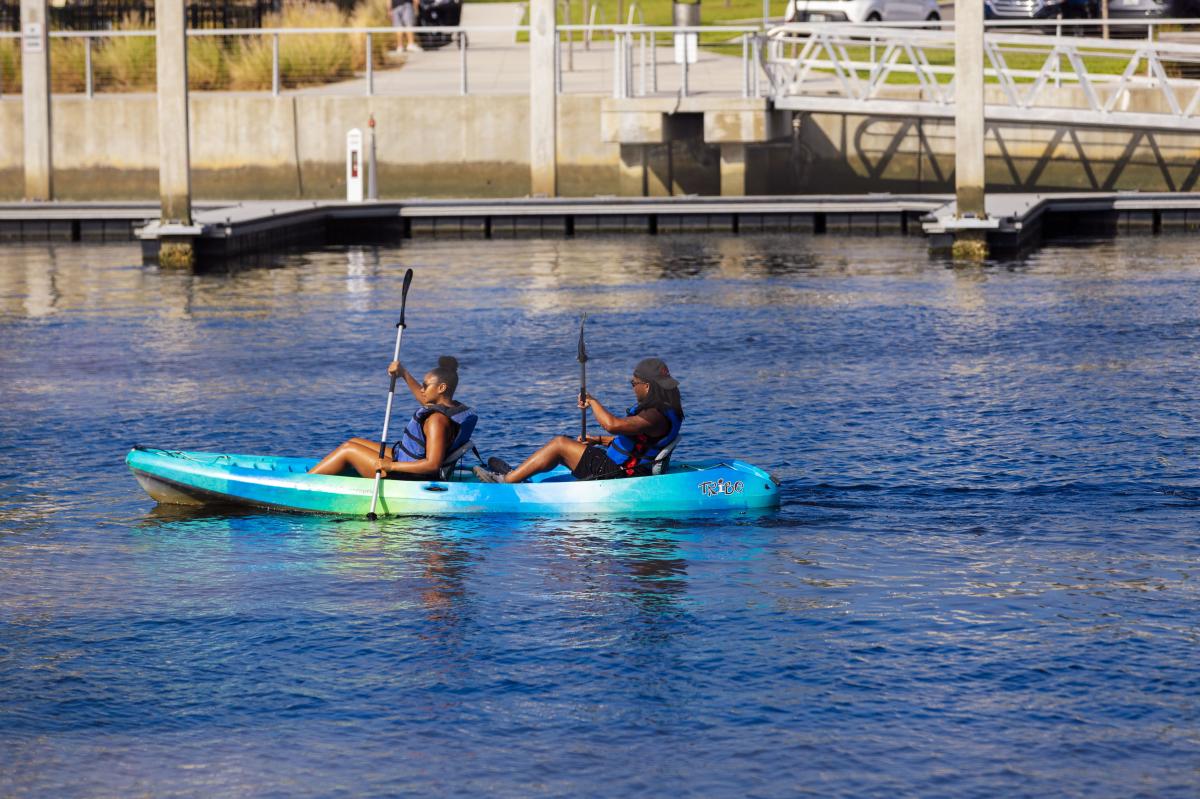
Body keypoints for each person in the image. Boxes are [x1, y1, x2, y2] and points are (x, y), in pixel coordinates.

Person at [474, 357, 682, 484]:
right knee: (566, 445)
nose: (632, 387)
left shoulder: (654, 415)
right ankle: (520, 473)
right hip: (623, 467)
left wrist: (593, 401)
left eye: (633, 383)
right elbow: (640, 444)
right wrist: (599, 440)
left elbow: (613, 425)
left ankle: (508, 480)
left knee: (560, 444)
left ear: (647, 386)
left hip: (617, 475)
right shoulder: (665, 411)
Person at [309, 356, 476, 479]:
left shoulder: (437, 421)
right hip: (405, 459)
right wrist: (403, 373)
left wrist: (391, 465)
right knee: (353, 441)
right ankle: (327, 474)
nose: (422, 389)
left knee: (348, 450)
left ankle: (305, 482)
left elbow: (432, 465)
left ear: (441, 388)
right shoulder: (449, 406)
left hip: (409, 476)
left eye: (426, 385)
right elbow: (423, 397)